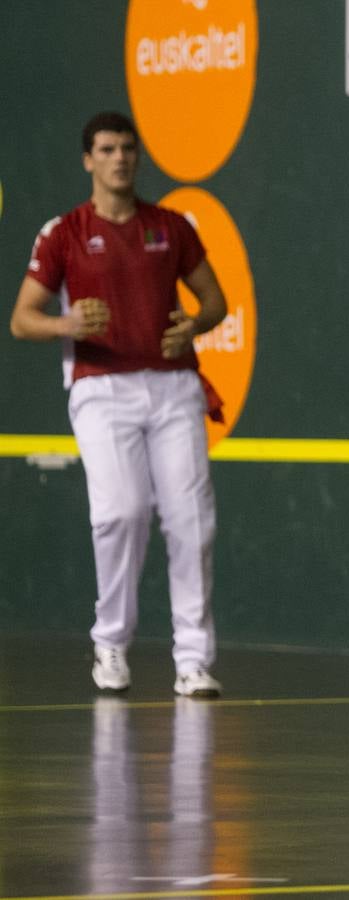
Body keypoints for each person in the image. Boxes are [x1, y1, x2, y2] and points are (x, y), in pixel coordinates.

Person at [10, 111, 228, 698]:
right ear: (88, 159)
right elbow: (21, 319)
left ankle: (193, 660)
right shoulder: (64, 233)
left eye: (128, 148)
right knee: (121, 513)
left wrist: (194, 326)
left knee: (191, 522)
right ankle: (110, 645)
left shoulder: (170, 227)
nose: (120, 158)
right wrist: (67, 321)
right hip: (100, 388)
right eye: (107, 149)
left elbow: (215, 301)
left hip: (173, 387)